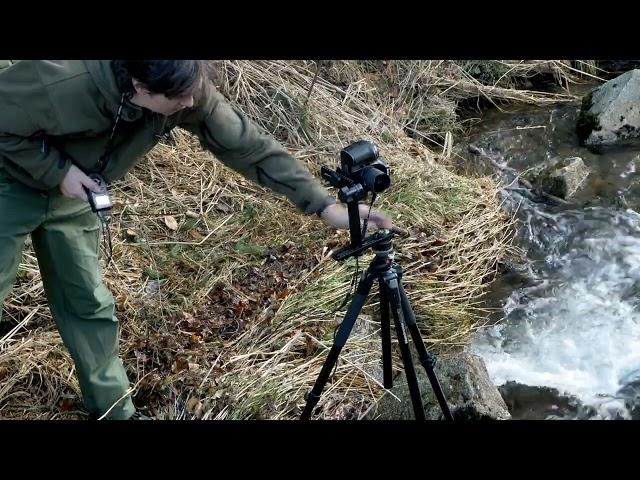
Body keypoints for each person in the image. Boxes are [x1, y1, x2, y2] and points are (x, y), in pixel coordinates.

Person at [0, 60, 397, 420]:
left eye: (192, 90)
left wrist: (324, 206)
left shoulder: (182, 86)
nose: (190, 101)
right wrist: (56, 172)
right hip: (8, 180)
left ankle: (113, 411)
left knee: (88, 303)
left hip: (77, 196)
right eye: (178, 97)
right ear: (139, 85)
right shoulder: (62, 81)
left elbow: (248, 145)